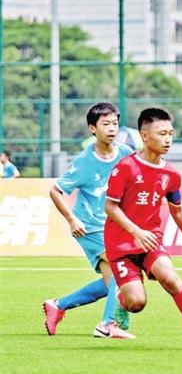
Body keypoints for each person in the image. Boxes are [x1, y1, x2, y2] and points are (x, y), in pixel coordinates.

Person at [104, 107, 182, 351]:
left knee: (171, 279)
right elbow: (110, 207)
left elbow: (177, 210)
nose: (168, 139)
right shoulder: (125, 167)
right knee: (137, 303)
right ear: (145, 136)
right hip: (120, 245)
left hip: (151, 241)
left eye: (171, 133)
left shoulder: (171, 174)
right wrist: (136, 231)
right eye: (162, 134)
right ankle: (122, 300)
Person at [43, 102, 135, 338]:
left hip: (113, 226)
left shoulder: (125, 153)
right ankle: (108, 324)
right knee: (121, 269)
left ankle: (58, 305)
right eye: (106, 124)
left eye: (115, 123)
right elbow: (56, 191)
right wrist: (72, 220)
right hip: (90, 227)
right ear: (93, 128)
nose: (112, 128)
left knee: (110, 282)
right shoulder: (84, 162)